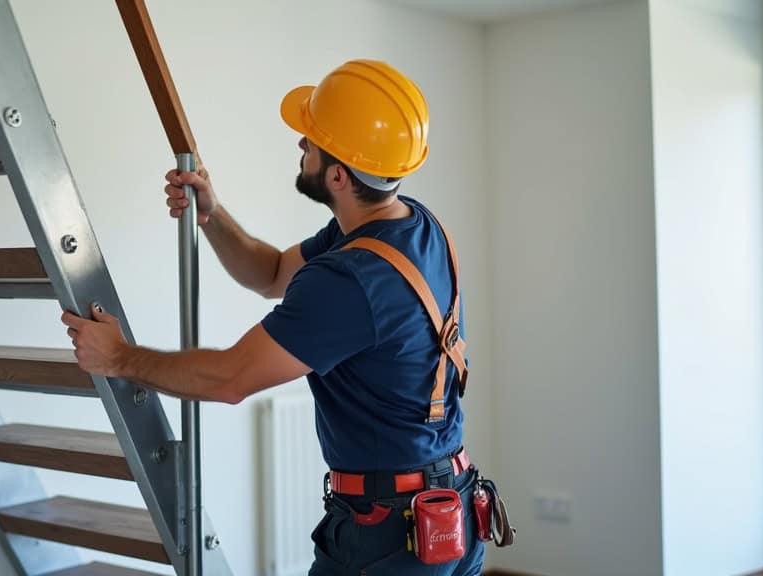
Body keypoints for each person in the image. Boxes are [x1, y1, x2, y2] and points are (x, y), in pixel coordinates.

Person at [61, 59, 486, 575]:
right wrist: (212, 215)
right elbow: (271, 273)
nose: (300, 145)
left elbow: (230, 378)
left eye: (311, 139)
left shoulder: (351, 279)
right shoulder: (409, 227)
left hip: (391, 539)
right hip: (448, 510)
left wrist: (121, 358)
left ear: (338, 175)